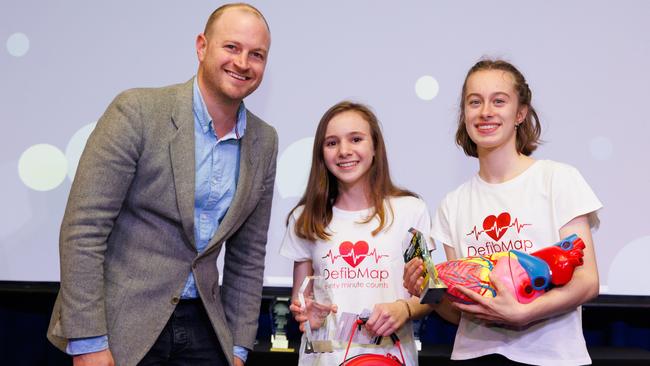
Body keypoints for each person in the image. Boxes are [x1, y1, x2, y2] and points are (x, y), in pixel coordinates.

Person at [46, 3, 278, 366]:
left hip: (207, 331)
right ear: (202, 47)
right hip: (122, 329)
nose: (243, 63)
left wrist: (238, 349)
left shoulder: (265, 141)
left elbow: (247, 258)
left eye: (257, 54)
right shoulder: (137, 112)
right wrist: (89, 341)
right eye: (231, 47)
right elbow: (83, 230)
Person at [404, 59, 602, 365]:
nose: (485, 112)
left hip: (552, 358)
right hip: (475, 356)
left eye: (499, 101)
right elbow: (462, 313)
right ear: (464, 114)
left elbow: (587, 280)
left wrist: (524, 313)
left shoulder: (558, 179)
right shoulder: (452, 204)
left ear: (520, 113)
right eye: (474, 102)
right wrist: (429, 291)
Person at [279, 101, 436, 365]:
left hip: (390, 358)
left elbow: (431, 291)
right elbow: (301, 299)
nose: (344, 151)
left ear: (375, 147)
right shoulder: (305, 218)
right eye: (331, 143)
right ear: (321, 153)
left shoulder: (410, 211)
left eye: (356, 139)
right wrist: (307, 314)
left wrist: (404, 308)